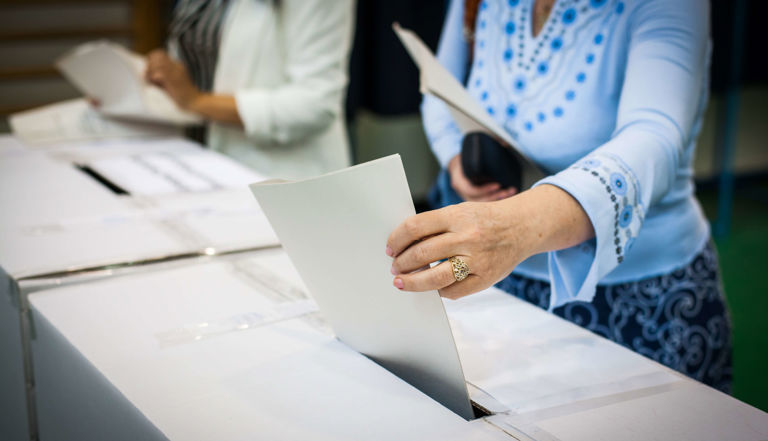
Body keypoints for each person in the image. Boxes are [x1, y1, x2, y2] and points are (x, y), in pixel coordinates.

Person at [386, 0, 732, 392]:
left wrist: (513, 228)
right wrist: (456, 160)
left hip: (640, 299)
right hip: (500, 286)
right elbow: (438, 82)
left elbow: (655, 137)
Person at [144, 0, 354, 180]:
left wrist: (196, 101)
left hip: (278, 174)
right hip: (195, 160)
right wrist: (168, 72)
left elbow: (315, 104)